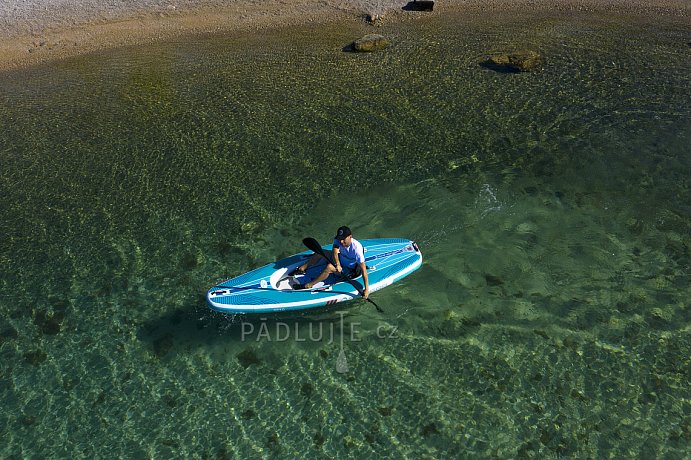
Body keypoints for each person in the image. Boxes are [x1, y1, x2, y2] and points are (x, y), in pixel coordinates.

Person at [292, 226, 369, 299]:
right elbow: (335, 252)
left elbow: (363, 270)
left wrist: (366, 289)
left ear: (350, 237)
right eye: (340, 239)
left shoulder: (357, 249)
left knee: (329, 267)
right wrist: (337, 264)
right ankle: (302, 268)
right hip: (339, 260)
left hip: (348, 269)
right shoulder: (338, 240)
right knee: (320, 253)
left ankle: (308, 285)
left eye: (343, 239)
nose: (341, 241)